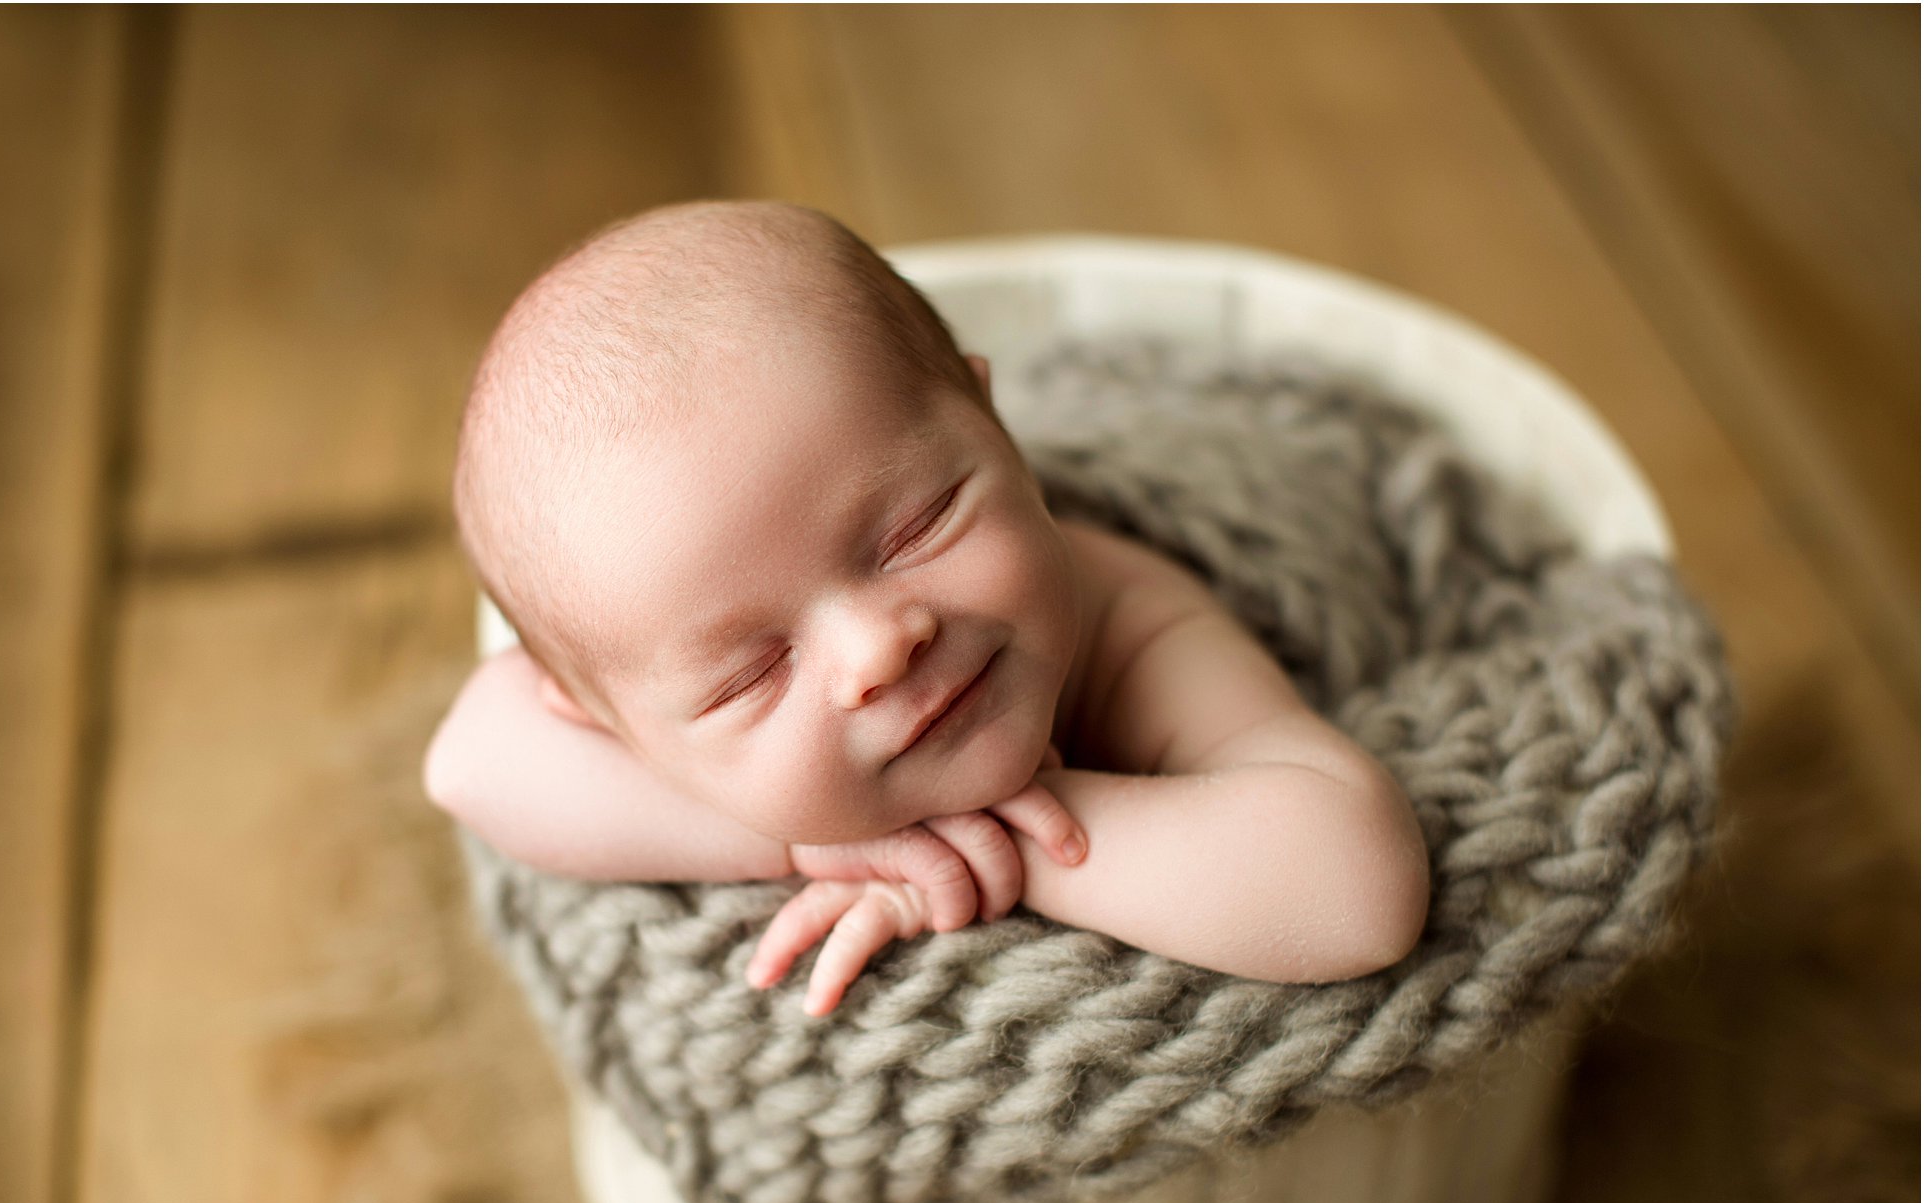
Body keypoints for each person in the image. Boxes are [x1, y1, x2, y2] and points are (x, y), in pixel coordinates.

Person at [424, 200, 1431, 1017]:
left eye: (916, 527)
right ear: (600, 721)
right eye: (748, 672)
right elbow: (467, 759)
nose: (876, 647)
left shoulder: (1121, 616)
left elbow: (1351, 887)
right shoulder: (610, 699)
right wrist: (808, 842)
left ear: (995, 425)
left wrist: (1018, 847)